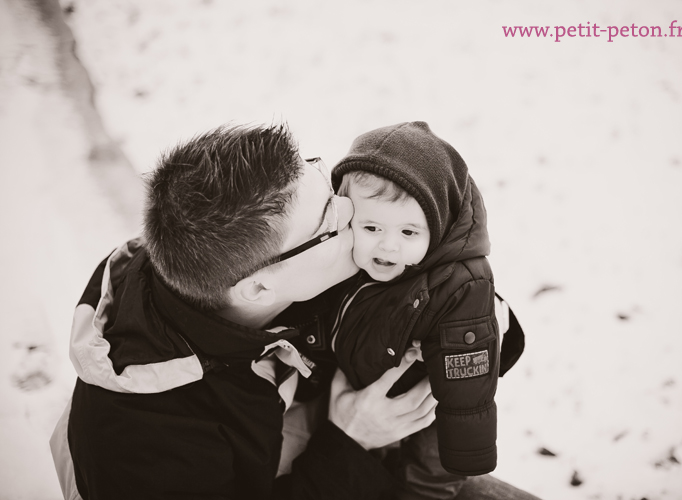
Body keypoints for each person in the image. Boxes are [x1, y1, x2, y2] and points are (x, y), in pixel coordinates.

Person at [49, 124, 438, 500]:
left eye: (319, 174)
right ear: (259, 288)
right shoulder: (144, 448)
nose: (350, 206)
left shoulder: (232, 269)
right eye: (328, 219)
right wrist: (351, 442)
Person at [327, 121, 526, 499]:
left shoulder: (459, 289)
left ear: (438, 230)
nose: (387, 248)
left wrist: (465, 453)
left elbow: (468, 388)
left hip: (431, 403)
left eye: (408, 233)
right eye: (371, 227)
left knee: (428, 466)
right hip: (360, 391)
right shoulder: (346, 259)